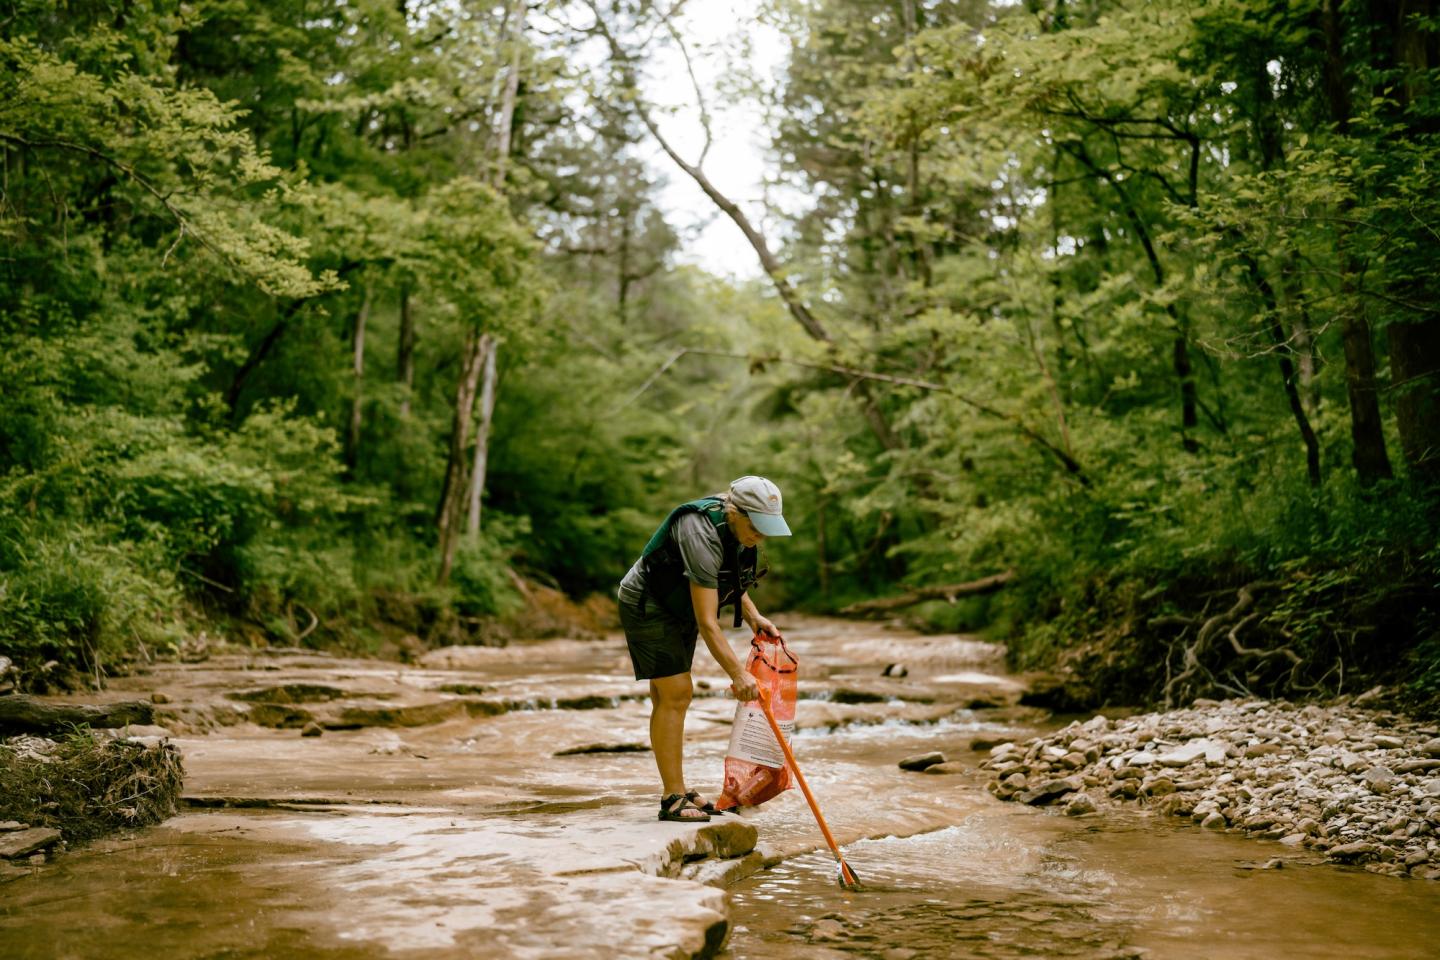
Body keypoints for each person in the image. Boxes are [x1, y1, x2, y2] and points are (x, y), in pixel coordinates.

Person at [617, 475, 791, 823]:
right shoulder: (699, 533)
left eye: (767, 526)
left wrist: (755, 617)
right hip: (649, 604)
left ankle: (677, 789)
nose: (761, 534)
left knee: (669, 696)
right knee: (676, 693)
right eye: (756, 524)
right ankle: (672, 798)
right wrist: (738, 675)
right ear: (735, 510)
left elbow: (727, 578)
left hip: (677, 605)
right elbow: (709, 621)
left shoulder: (737, 531)